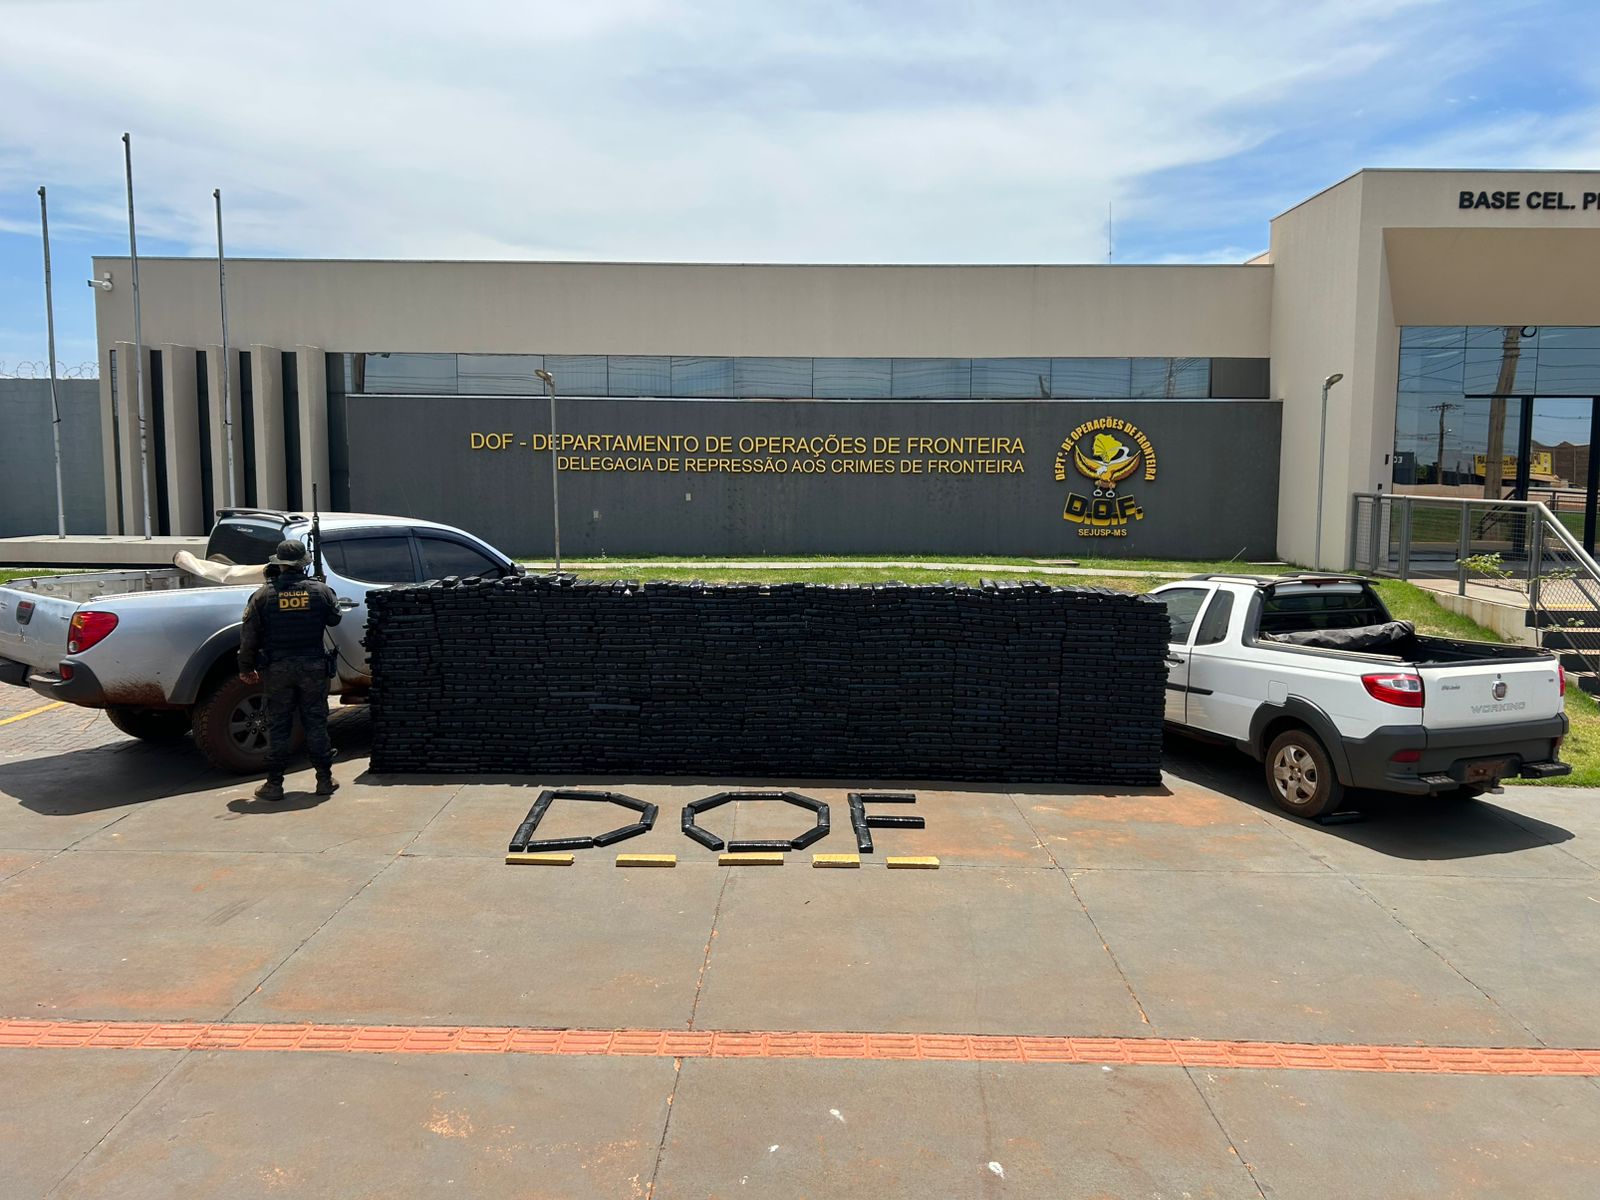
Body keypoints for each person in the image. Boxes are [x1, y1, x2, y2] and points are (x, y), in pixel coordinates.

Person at [238, 539, 343, 801]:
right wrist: (324, 588)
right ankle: (324, 779)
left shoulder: (263, 595)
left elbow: (248, 637)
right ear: (304, 564)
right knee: (315, 721)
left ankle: (274, 784)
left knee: (278, 724)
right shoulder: (321, 591)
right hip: (313, 668)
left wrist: (246, 668)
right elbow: (335, 619)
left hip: (278, 670)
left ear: (280, 564)